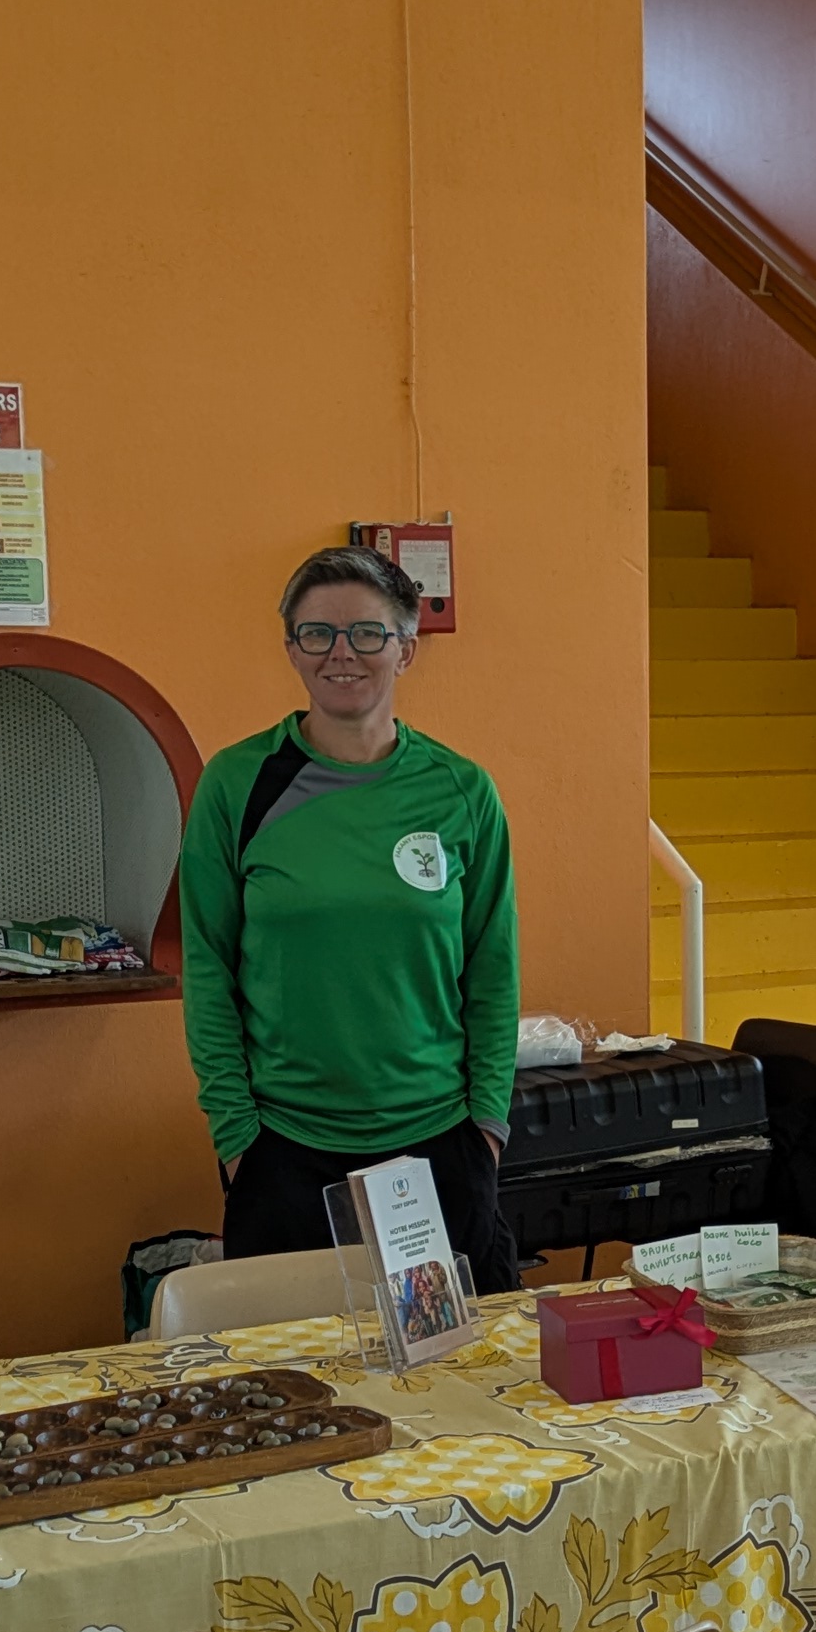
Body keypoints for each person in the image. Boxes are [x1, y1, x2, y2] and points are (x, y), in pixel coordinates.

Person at [179, 544, 524, 1292]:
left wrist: (486, 1128)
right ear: (292, 649)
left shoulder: (462, 790)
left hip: (439, 1143)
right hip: (283, 1150)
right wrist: (237, 1136)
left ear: (406, 650)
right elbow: (206, 966)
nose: (342, 653)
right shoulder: (237, 785)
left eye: (368, 633)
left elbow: (493, 973)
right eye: (318, 633)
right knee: (298, 1363)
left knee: (461, 1359)